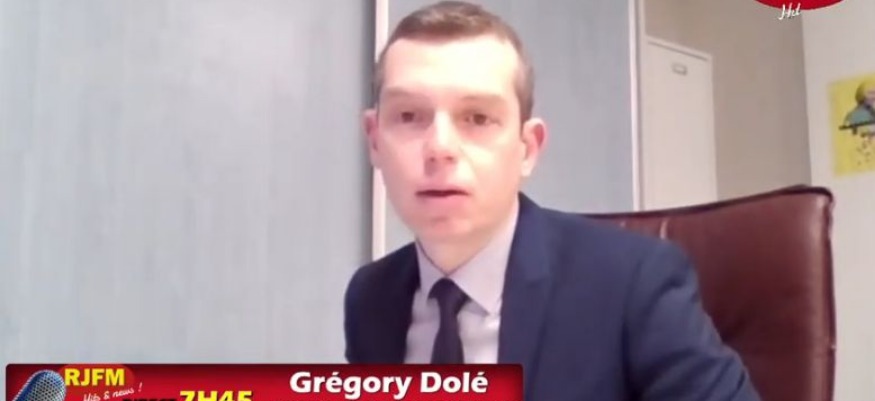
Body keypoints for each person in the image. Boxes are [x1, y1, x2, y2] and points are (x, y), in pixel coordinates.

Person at [344, 1, 761, 400]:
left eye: (477, 118)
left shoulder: (634, 283)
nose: (439, 147)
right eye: (409, 116)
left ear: (527, 149)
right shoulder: (371, 297)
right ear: (375, 141)